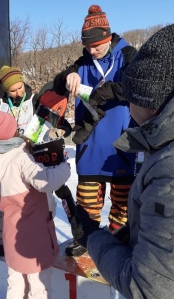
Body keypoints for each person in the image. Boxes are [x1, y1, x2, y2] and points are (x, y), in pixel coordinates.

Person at [71, 24, 174, 299]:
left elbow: (147, 287)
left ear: (151, 101)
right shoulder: (160, 147)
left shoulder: (167, 171)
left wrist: (92, 234)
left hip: (121, 157)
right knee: (94, 204)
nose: (128, 107)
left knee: (122, 204)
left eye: (131, 98)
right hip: (92, 153)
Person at [53, 4, 137, 256]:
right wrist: (68, 75)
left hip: (122, 141)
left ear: (108, 37)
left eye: (97, 45)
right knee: (87, 199)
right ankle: (86, 238)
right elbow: (57, 85)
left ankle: (119, 237)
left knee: (122, 201)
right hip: (90, 142)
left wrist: (108, 90)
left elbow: (139, 83)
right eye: (88, 46)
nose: (92, 50)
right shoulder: (83, 63)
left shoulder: (128, 55)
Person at [0, 110, 71, 298]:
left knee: (15, 281)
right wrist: (64, 167)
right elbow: (46, 181)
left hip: (11, 233)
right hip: (35, 234)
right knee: (39, 284)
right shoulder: (20, 157)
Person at [0, 65, 76, 257]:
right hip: (13, 159)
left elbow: (62, 124)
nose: (17, 92)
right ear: (5, 90)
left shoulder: (36, 100)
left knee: (58, 192)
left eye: (20, 87)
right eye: (12, 90)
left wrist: (61, 131)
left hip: (40, 155)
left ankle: (79, 233)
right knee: (9, 201)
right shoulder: (0, 105)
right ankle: (5, 243)